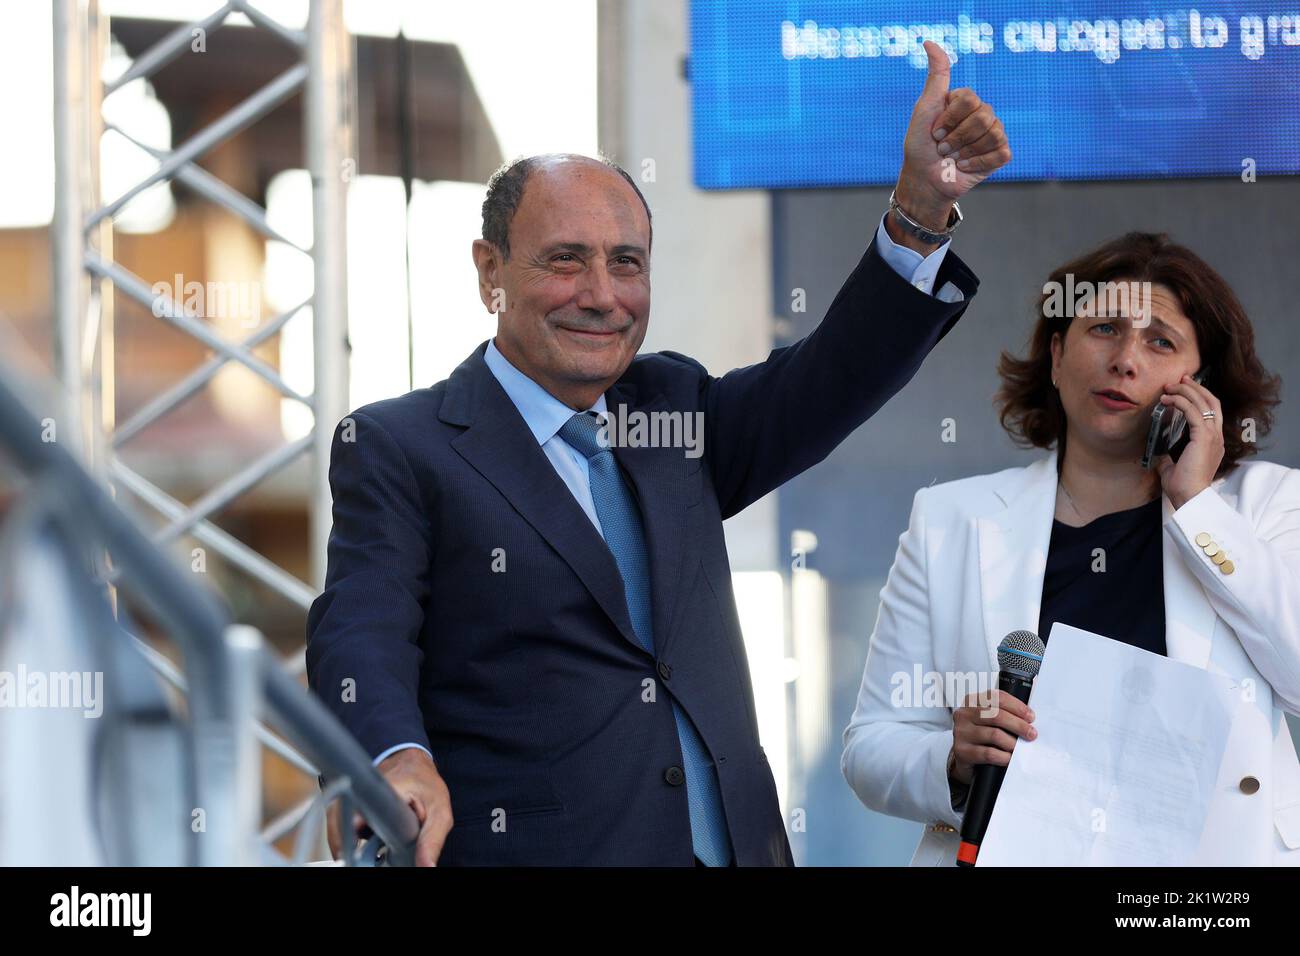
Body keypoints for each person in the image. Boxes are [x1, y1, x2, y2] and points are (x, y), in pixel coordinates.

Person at [307, 41, 1010, 866]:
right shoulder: (401, 445)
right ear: (489, 271)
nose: (602, 295)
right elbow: (362, 630)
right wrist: (393, 758)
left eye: (626, 263)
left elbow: (833, 378)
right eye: (565, 259)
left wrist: (920, 212)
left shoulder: (674, 407)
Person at [841, 231, 1300, 865]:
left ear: (1202, 389)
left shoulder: (1265, 506)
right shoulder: (951, 519)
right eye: (1105, 329)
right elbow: (871, 745)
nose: (1126, 360)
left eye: (1160, 341)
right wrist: (953, 758)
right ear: (1056, 358)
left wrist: (1198, 507)